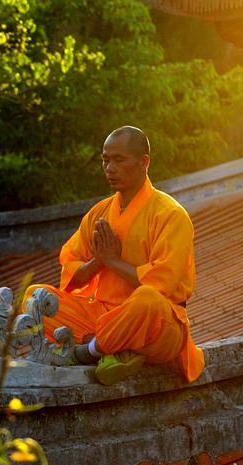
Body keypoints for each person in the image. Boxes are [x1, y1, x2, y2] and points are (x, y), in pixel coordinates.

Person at [24, 126, 204, 385]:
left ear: (144, 162)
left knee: (147, 299)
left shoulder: (170, 214)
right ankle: (113, 347)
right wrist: (98, 261)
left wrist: (112, 261)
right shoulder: (99, 213)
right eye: (106, 160)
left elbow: (163, 284)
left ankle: (89, 351)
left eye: (119, 160)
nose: (110, 168)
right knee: (35, 298)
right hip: (103, 316)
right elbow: (71, 270)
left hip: (155, 325)